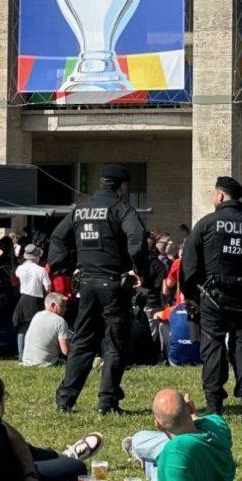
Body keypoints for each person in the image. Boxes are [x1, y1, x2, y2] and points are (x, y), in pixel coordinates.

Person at [49, 164, 149, 414]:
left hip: (86, 283)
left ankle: (65, 400)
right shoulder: (121, 208)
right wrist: (139, 270)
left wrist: (67, 265)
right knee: (114, 343)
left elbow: (58, 237)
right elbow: (136, 239)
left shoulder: (80, 210)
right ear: (122, 187)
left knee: (82, 341)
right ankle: (107, 402)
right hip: (113, 284)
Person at [181, 176, 242, 423]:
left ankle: (214, 406)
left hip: (212, 297)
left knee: (213, 346)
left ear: (221, 196)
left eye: (214, 194)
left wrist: (191, 296)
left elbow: (189, 265)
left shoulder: (206, 224)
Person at [124, 388, 236, 481]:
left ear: (158, 425)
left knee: (139, 440)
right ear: (191, 408)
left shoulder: (175, 453)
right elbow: (201, 420)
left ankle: (148, 462)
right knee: (150, 452)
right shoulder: (218, 424)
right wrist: (192, 413)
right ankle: (150, 462)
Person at [12, 244, 51, 361]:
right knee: (37, 328)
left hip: (23, 299)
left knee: (22, 328)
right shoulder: (41, 270)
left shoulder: (20, 268)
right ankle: (34, 354)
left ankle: (21, 354)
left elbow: (17, 275)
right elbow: (48, 287)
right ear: (36, 257)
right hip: (36, 300)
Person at [21, 293, 71, 367]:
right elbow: (66, 351)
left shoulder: (37, 315)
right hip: (46, 363)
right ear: (53, 305)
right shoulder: (60, 321)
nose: (65, 309)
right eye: (62, 306)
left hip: (26, 362)